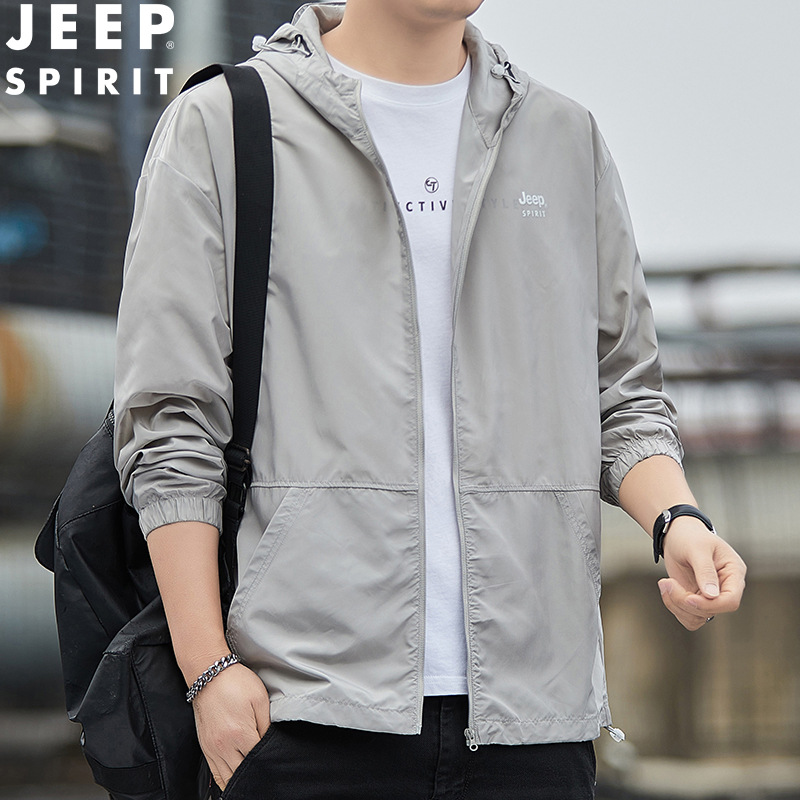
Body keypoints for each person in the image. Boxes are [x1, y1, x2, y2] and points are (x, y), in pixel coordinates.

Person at [113, 1, 748, 797]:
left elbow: (620, 392)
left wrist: (676, 518)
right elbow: (171, 420)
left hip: (532, 720)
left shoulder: (563, 139)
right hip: (300, 707)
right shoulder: (225, 125)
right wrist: (207, 667)